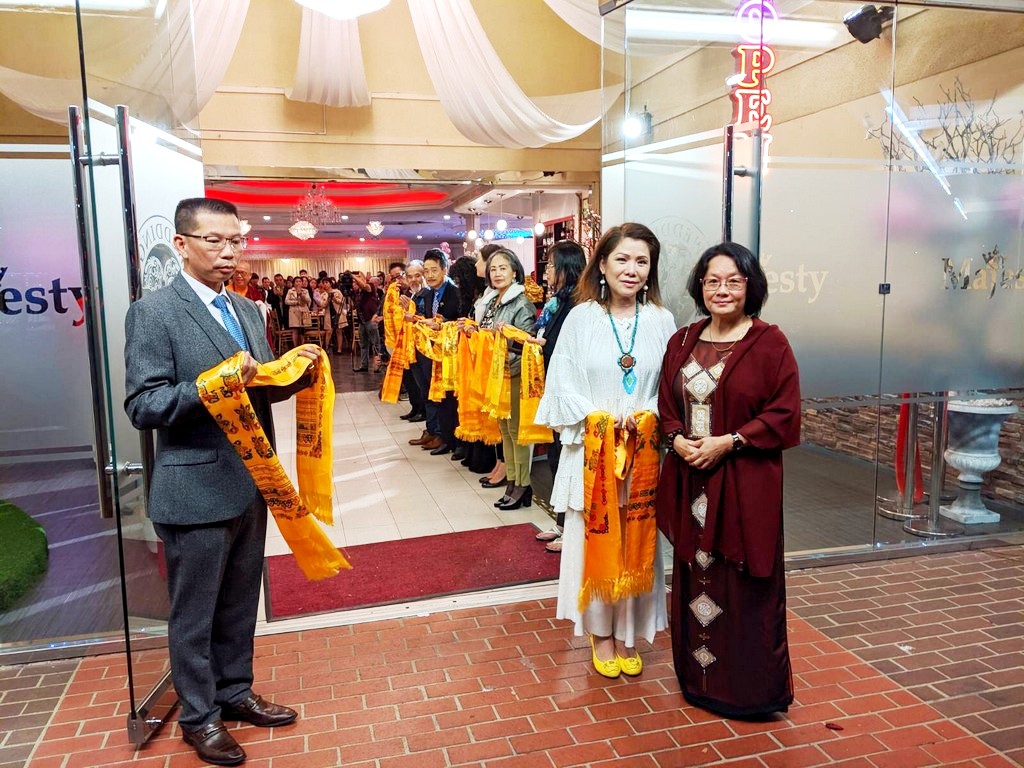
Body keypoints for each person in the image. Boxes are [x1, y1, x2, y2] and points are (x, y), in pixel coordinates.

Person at [124, 198, 318, 766]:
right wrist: (212, 385)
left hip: (252, 480)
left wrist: (295, 371)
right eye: (214, 240)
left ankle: (235, 690)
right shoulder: (154, 312)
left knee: (239, 600)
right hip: (194, 488)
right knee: (194, 614)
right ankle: (199, 716)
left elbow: (259, 387)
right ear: (182, 245)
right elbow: (144, 404)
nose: (229, 251)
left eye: (235, 240)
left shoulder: (248, 310)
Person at [656, 241, 800, 717]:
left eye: (733, 281)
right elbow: (666, 404)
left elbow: (784, 414)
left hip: (743, 484)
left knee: (743, 582)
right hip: (691, 482)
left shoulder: (769, 342)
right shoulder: (682, 340)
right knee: (696, 570)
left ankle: (747, 690)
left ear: (750, 286)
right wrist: (676, 439)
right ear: (700, 286)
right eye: (712, 280)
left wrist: (730, 441)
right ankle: (698, 681)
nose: (722, 290)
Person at [535, 223, 676, 679]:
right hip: (593, 453)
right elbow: (561, 383)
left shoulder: (661, 320)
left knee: (637, 540)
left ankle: (628, 632)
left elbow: (671, 386)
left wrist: (648, 413)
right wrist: (597, 417)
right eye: (622, 259)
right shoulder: (581, 318)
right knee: (595, 540)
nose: (632, 269)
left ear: (651, 270)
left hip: (642, 452)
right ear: (602, 264)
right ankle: (601, 635)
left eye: (642, 261)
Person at [532, 241, 587, 553]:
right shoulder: (557, 301)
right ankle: (562, 521)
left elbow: (570, 348)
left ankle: (573, 527)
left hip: (571, 392)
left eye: (552, 265)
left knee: (569, 460)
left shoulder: (579, 303)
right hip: (553, 385)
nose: (548, 270)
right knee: (557, 457)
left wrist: (543, 345)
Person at [474, 247, 538, 509]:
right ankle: (512, 481)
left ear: (515, 272)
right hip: (496, 373)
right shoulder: (494, 301)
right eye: (493, 269)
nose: (497, 273)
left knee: (516, 432)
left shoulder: (521, 302)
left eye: (503, 268)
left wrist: (503, 336)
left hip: (515, 372)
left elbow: (528, 343)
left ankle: (522, 484)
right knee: (504, 431)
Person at [407, 249, 461, 452]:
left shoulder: (454, 292)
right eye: (427, 271)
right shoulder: (430, 294)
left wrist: (441, 324)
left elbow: (459, 320)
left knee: (448, 398)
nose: (429, 275)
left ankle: (450, 438)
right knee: (432, 392)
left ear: (444, 270)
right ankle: (440, 434)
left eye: (434, 270)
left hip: (450, 352)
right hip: (432, 351)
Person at [352, 272, 383, 373]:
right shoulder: (358, 292)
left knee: (375, 344)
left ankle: (377, 366)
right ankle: (364, 365)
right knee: (363, 345)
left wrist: (353, 276)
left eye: (358, 278)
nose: (356, 281)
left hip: (371, 320)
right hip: (362, 321)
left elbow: (364, 286)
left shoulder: (370, 286)